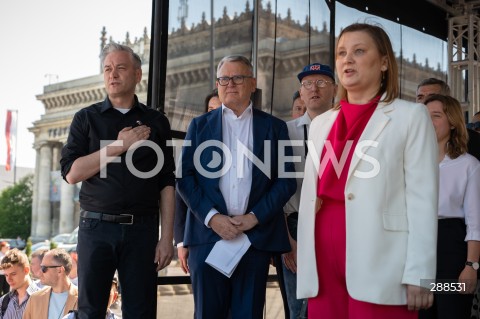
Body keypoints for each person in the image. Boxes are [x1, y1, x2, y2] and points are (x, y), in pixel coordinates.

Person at [297, 23, 439, 319]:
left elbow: (422, 200)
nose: (347, 59)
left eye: (359, 51)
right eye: (341, 53)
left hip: (382, 259)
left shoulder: (410, 116)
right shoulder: (321, 123)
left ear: (385, 62)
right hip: (321, 259)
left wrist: (421, 274)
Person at [60, 42, 176, 319]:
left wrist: (167, 236)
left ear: (137, 75)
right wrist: (119, 145)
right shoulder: (85, 118)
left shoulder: (156, 121)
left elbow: (167, 183)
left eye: (121, 68)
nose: (113, 74)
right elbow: (72, 173)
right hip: (95, 227)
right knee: (90, 312)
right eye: (108, 69)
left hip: (143, 230)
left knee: (141, 312)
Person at [177, 54, 296, 318]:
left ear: (252, 83)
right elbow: (184, 178)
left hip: (253, 241)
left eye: (238, 77)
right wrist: (212, 218)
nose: (230, 84)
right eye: (224, 79)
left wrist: (255, 218)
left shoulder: (275, 128)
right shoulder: (199, 126)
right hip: (207, 239)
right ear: (217, 84)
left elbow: (286, 181)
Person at [281, 63, 337, 319]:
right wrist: (286, 241)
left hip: (337, 227)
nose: (314, 88)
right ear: (301, 93)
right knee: (299, 308)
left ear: (335, 89)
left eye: (322, 82)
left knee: (333, 304)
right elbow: (275, 189)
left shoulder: (345, 130)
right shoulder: (284, 132)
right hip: (295, 227)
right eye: (307, 84)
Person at [419, 94, 480, 319]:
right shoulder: (410, 164)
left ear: (453, 122)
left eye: (436, 116)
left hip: (452, 255)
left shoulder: (468, 166)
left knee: (450, 313)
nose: (428, 122)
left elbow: (475, 223)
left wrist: (471, 266)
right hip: (418, 253)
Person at [174, 89, 222, 274]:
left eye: (219, 109)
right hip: (200, 238)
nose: (214, 115)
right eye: (210, 109)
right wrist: (181, 242)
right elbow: (181, 195)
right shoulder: (195, 144)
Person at [416, 77, 480, 160]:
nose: (424, 101)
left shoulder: (473, 142)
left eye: (432, 97)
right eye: (420, 97)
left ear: (447, 100)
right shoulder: (407, 135)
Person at [23, 248, 78, 319]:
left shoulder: (83, 299)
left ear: (60, 270)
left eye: (44, 268)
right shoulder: (35, 299)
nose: (40, 272)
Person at [0, 249, 40, 319]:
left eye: (13, 274)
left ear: (26, 270)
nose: (9, 279)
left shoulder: (42, 298)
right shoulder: (3, 301)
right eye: (6, 275)